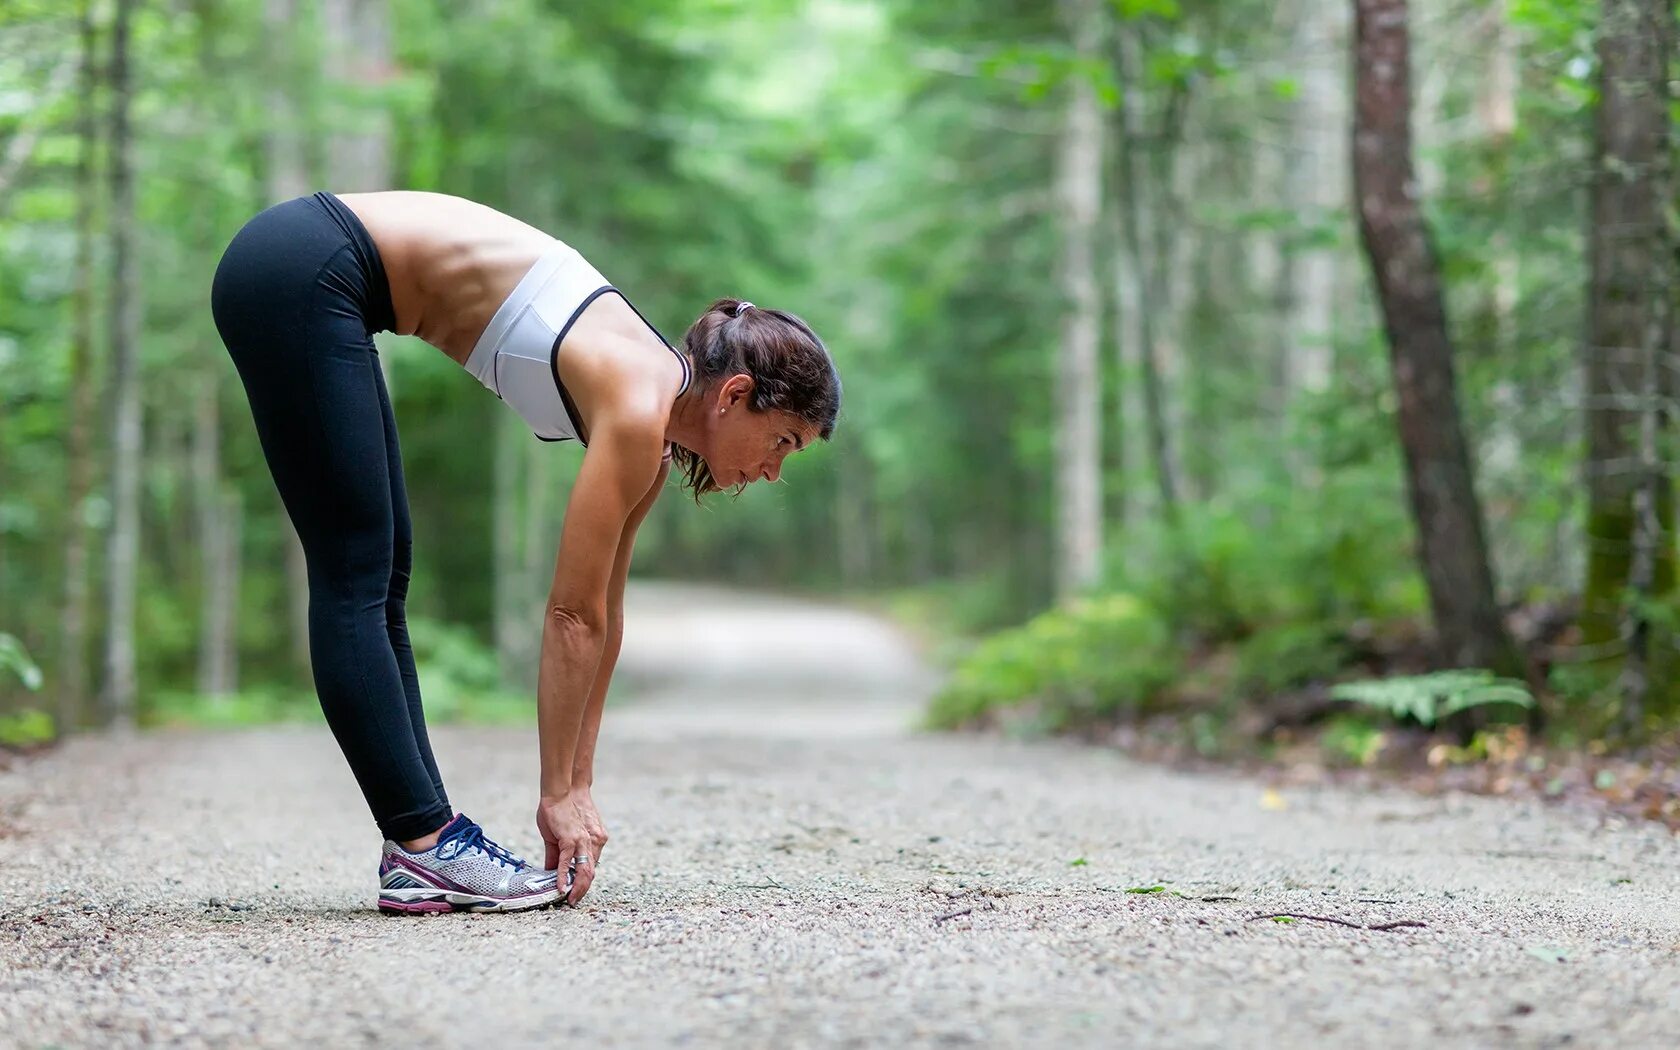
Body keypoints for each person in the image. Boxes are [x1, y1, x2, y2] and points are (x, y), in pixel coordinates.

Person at [209, 190, 840, 914]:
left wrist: (577, 787)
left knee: (380, 572)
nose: (774, 471)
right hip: (304, 265)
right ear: (734, 395)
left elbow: (604, 610)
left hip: (319, 274)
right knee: (357, 570)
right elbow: (570, 616)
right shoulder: (639, 406)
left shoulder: (653, 433)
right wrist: (553, 796)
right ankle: (422, 845)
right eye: (783, 441)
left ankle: (423, 844)